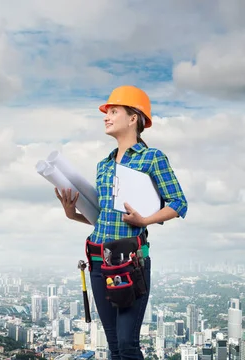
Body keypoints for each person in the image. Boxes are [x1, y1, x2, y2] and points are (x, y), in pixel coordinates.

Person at [55, 85, 188, 360]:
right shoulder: (103, 165)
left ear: (134, 118)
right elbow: (103, 217)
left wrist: (146, 219)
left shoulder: (152, 158)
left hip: (130, 261)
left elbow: (178, 203)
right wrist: (74, 215)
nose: (106, 116)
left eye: (114, 111)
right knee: (114, 344)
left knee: (127, 344)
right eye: (107, 112)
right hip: (98, 260)